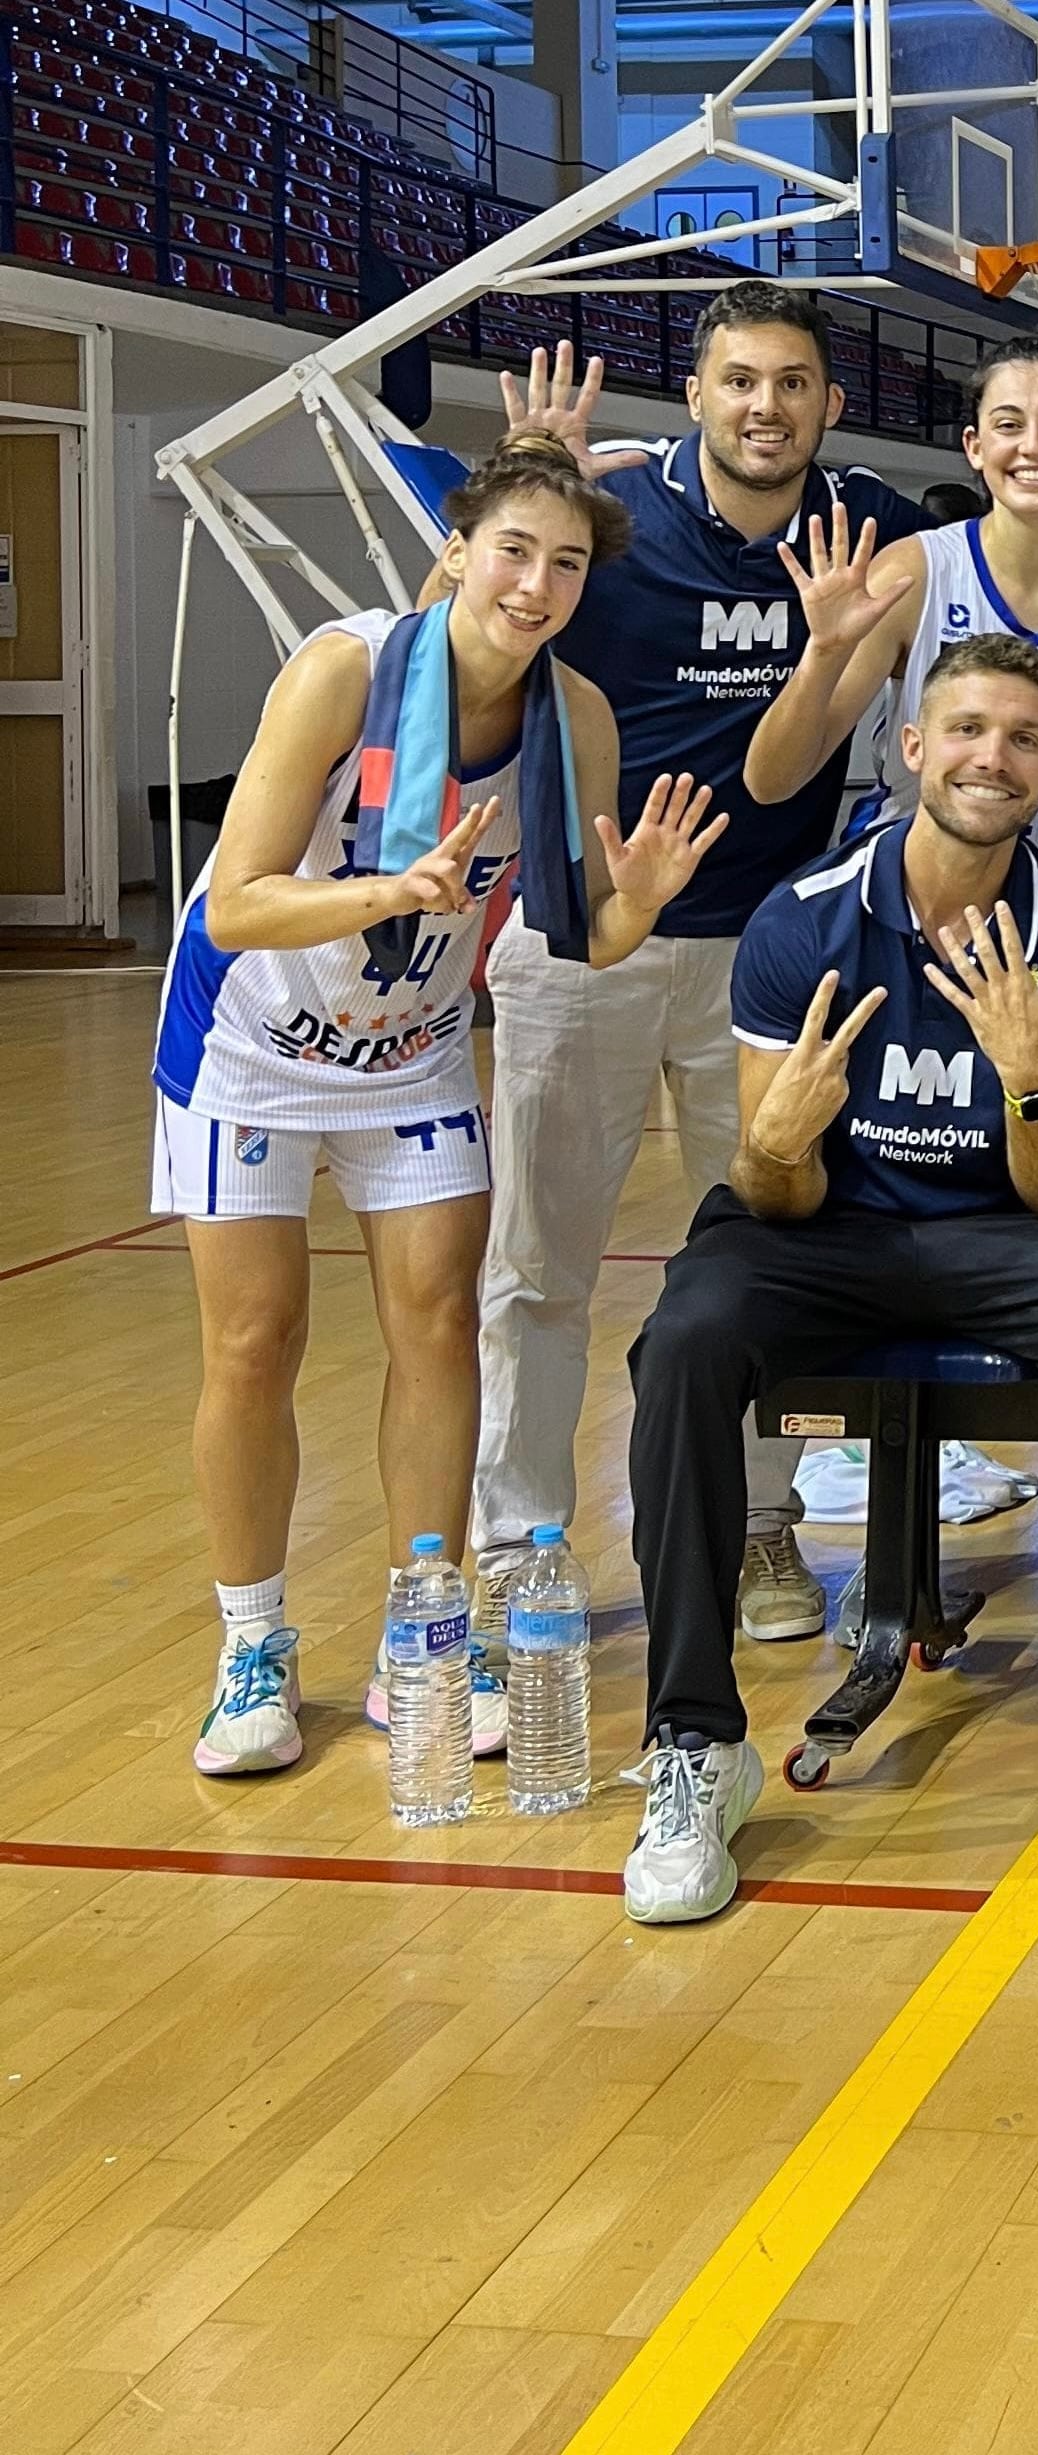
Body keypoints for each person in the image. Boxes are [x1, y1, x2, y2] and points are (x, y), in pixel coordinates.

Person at [619, 635, 1038, 1924]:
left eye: (1019, 738)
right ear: (910, 748)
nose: (989, 757)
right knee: (680, 1345)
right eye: (964, 730)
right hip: (819, 1230)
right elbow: (774, 1182)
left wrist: (1030, 1082)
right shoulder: (802, 919)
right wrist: (778, 1143)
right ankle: (693, 1742)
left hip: (1003, 1232)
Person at [165, 434, 729, 1777]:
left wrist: (635, 905)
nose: (535, 584)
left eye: (568, 563)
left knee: (436, 1327)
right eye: (516, 551)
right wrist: (393, 892)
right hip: (250, 1039)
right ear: (460, 550)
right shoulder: (345, 670)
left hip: (410, 1052)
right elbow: (238, 900)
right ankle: (253, 1643)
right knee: (256, 1341)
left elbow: (574, 931)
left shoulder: (574, 717)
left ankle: (427, 1627)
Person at [462, 295, 946, 1655]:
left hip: (773, 957)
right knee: (539, 1268)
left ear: (829, 404)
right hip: (585, 942)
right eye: (740, 380)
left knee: (776, 1253)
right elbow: (463, 643)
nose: (766, 406)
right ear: (695, 394)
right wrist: (526, 491)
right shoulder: (602, 519)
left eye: (794, 382)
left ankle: (763, 1523)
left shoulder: (875, 533)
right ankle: (521, 1547)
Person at [742, 331, 1038, 894]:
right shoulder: (912, 575)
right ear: (975, 445)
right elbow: (771, 783)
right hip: (904, 912)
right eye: (1009, 424)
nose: (1034, 446)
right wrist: (823, 654)